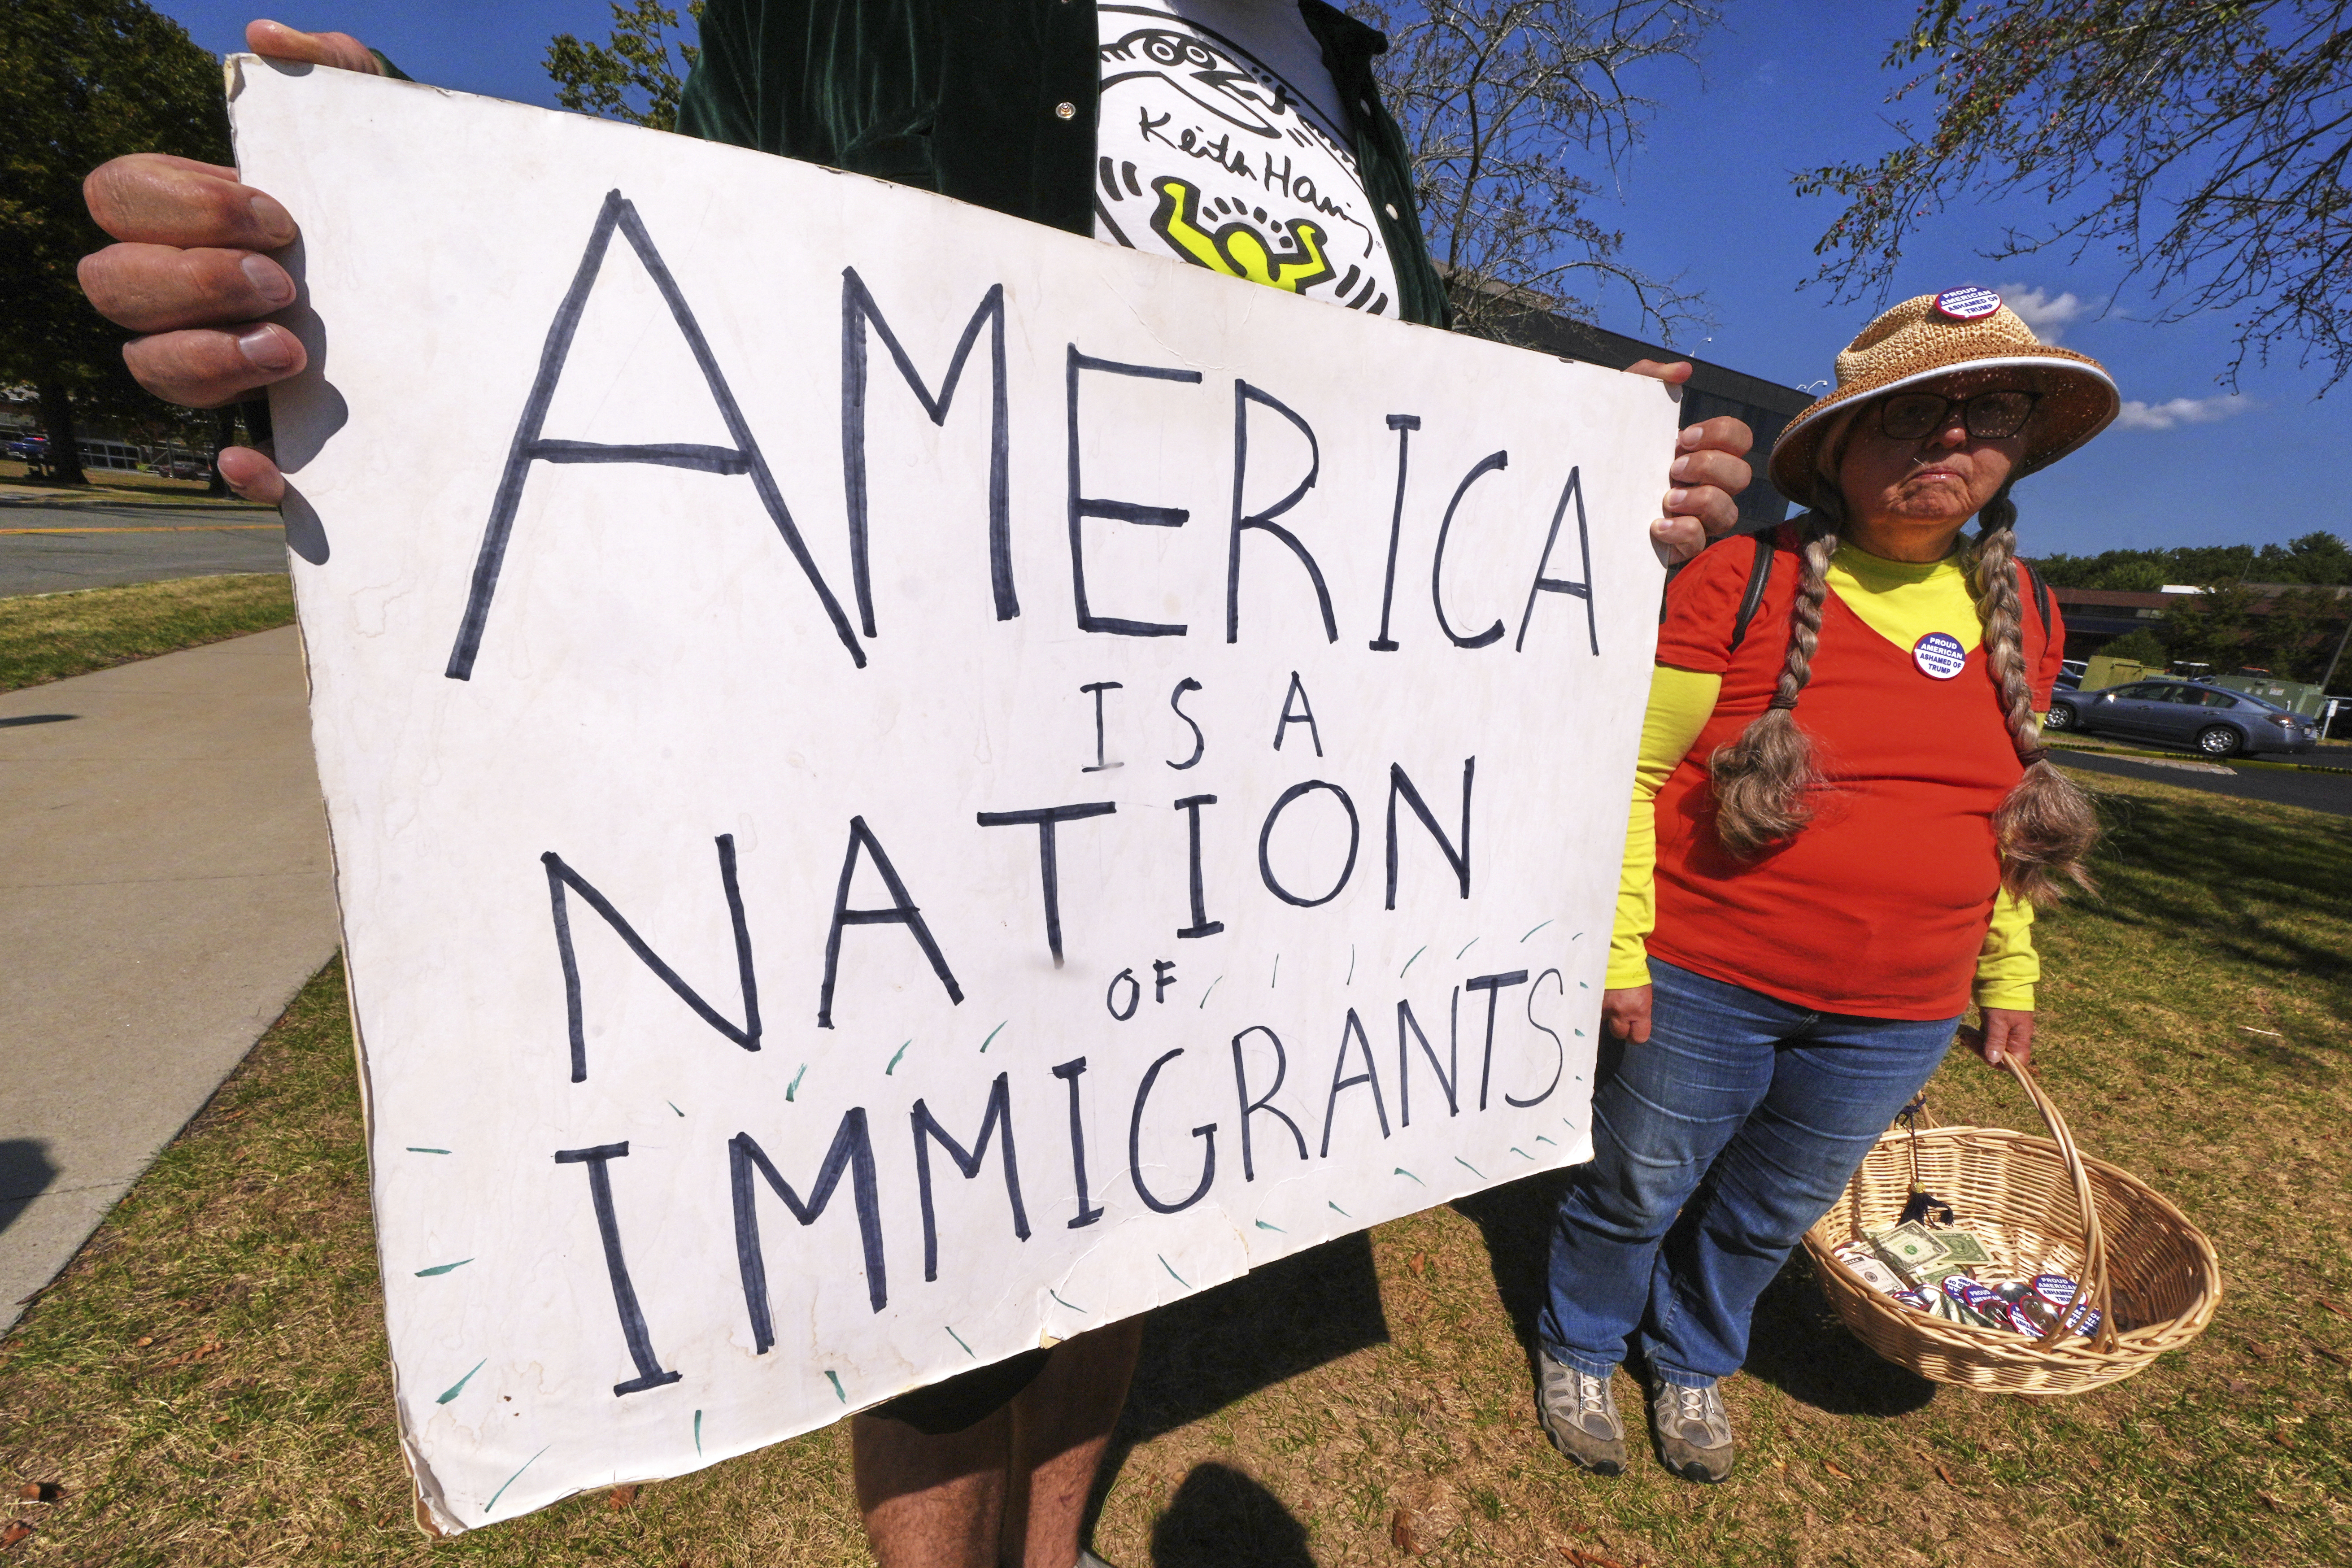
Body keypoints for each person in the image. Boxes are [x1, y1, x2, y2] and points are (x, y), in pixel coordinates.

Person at [75, 10, 1758, 1564]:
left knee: (1136, 1202)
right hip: (921, 773)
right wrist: (417, 258)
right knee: (937, 1275)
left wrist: (1573, 468)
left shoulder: (1340, 64)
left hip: (1223, 807)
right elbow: (685, 260)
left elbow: (1359, 433)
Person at [1535, 289, 2117, 1485]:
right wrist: (1620, 951)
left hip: (1896, 1013)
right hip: (1703, 982)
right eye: (1912, 414)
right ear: (1841, 446)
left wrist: (2008, 972)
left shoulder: (2029, 614)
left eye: (1987, 411)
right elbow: (1631, 777)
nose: (1948, 440)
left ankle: (1691, 1362)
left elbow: (2012, 816)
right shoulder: (1734, 578)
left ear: (2018, 445)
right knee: (1638, 1183)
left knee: (1768, 1209)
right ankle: (1580, 1342)